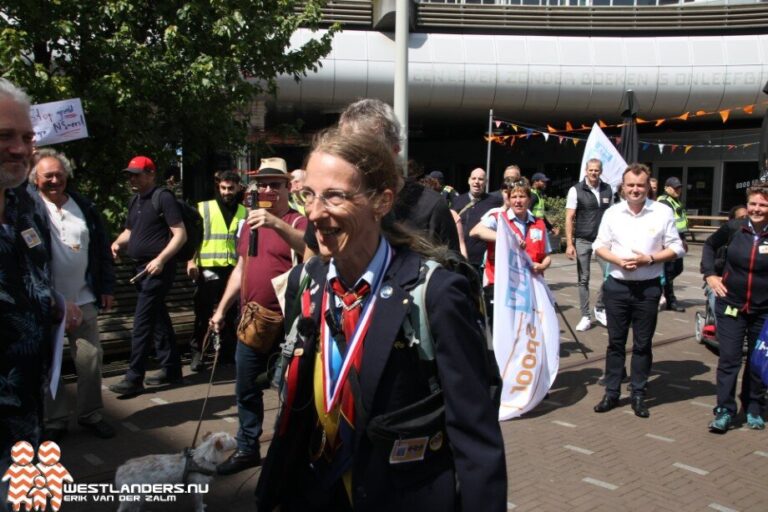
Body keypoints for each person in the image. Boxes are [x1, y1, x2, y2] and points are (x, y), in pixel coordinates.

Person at [255, 128, 506, 512]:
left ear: (381, 202)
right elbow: (296, 411)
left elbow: (475, 437)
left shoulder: (436, 292)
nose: (314, 213)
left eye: (335, 196)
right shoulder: (308, 284)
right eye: (309, 194)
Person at [211, 157, 307, 475]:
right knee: (245, 389)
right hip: (252, 320)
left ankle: (290, 452)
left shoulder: (296, 222)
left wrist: (273, 222)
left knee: (289, 391)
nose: (267, 189)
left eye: (274, 184)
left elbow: (312, 252)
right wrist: (222, 309)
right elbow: (240, 269)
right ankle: (248, 448)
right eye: (262, 184)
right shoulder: (249, 223)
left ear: (287, 188)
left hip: (289, 325)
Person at [29, 149, 116, 441]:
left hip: (83, 298)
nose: (55, 180)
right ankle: (54, 421)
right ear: (35, 178)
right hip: (47, 303)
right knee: (49, 365)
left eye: (59, 174)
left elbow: (101, 248)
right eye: (48, 175)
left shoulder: (83, 205)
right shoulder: (28, 208)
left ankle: (91, 414)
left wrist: (105, 286)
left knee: (90, 360)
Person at [304, 99, 460, 257]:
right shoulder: (325, 204)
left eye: (366, 154)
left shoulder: (431, 207)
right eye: (346, 152)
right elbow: (312, 263)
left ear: (395, 150)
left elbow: (452, 271)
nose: (355, 162)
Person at [0, 79, 57, 506]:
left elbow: (32, 284)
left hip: (27, 419)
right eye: (4, 136)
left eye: (26, 137)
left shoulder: (23, 207)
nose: (20, 149)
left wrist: (58, 305)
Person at [592, 164, 685, 418]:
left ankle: (638, 393)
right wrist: (618, 261)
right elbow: (599, 246)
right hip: (617, 287)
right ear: (623, 187)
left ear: (648, 186)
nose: (635, 189)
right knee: (615, 343)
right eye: (630, 185)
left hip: (648, 288)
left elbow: (677, 248)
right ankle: (612, 392)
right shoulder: (612, 213)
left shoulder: (662, 212)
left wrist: (651, 259)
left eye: (640, 185)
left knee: (643, 344)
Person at [109, 156, 187, 396]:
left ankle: (134, 377)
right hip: (140, 269)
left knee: (142, 322)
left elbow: (180, 234)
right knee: (159, 318)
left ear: (151, 174)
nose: (132, 178)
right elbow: (130, 231)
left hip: (156, 270)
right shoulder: (135, 200)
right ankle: (172, 368)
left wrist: (161, 260)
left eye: (137, 174)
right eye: (130, 174)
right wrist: (116, 243)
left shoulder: (162, 197)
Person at [701, 185, 768, 432]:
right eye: (753, 204)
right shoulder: (733, 228)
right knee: (729, 358)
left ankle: (753, 407)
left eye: (763, 204)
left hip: (763, 310)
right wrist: (710, 275)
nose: (757, 209)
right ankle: (724, 410)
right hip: (731, 305)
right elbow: (708, 246)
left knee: (758, 361)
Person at [470, 177, 551, 328]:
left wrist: (542, 266)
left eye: (522, 196)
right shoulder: (499, 218)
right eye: (514, 197)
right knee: (502, 329)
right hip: (501, 284)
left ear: (529, 199)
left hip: (530, 286)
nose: (518, 201)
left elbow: (546, 256)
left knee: (527, 329)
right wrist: (507, 238)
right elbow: (475, 232)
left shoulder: (539, 224)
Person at [186, 171, 247, 371]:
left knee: (230, 314)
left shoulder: (243, 212)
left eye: (231, 188)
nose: (227, 192)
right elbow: (194, 238)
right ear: (218, 187)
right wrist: (191, 261)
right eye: (223, 188)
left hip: (232, 269)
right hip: (208, 268)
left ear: (238, 187)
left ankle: (227, 355)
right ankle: (198, 354)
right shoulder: (204, 208)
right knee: (203, 313)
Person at [565, 158, 613, 332]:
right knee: (583, 279)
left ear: (601, 171)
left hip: (602, 241)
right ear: (586, 171)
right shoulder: (576, 190)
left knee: (610, 274)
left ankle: (599, 306)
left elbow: (611, 217)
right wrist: (569, 243)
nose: (594, 173)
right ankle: (585, 316)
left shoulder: (608, 189)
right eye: (591, 170)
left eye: (597, 170)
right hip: (583, 240)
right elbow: (569, 217)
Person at [452, 167, 503, 276]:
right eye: (474, 178)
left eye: (480, 179)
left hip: (483, 262)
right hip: (460, 258)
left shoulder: (495, 202)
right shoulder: (457, 201)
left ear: (486, 182)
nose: (476, 182)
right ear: (469, 180)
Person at [656, 177, 689, 312]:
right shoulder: (664, 201)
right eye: (675, 188)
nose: (678, 190)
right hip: (669, 240)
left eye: (679, 187)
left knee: (677, 269)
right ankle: (670, 301)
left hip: (678, 238)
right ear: (666, 188)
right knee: (669, 271)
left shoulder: (675, 200)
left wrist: (684, 239)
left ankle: (661, 287)